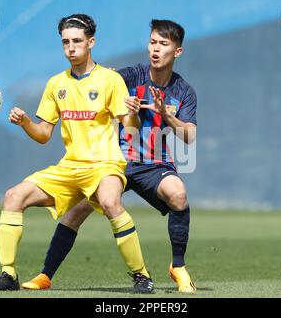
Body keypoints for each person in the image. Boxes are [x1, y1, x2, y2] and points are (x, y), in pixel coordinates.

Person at [0, 14, 154, 293]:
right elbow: (43, 135)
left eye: (77, 41)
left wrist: (132, 115)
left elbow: (129, 131)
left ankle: (141, 276)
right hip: (69, 168)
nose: (71, 47)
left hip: (105, 165)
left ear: (91, 42)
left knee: (110, 202)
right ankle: (8, 276)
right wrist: (25, 123)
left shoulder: (110, 80)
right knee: (13, 196)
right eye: (65, 42)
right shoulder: (55, 84)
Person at [23, 19, 197, 293]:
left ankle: (178, 267)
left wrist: (166, 116)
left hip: (154, 164)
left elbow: (189, 136)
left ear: (177, 51)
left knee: (178, 194)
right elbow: (100, 82)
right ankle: (45, 275)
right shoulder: (126, 76)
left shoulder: (184, 91)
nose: (155, 49)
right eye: (152, 42)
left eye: (163, 44)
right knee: (77, 211)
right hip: (114, 160)